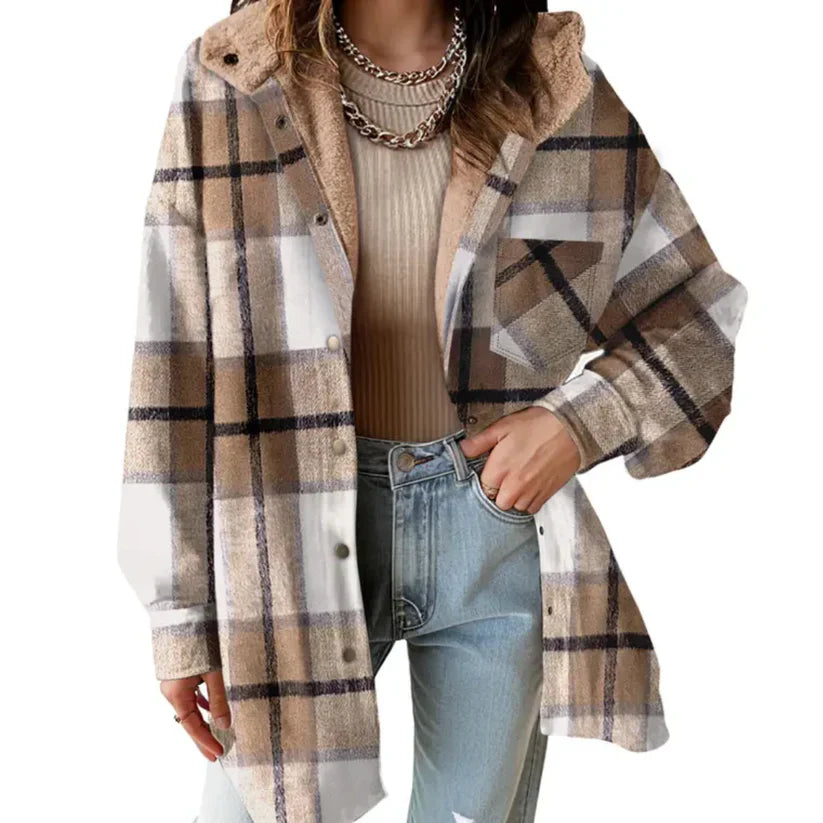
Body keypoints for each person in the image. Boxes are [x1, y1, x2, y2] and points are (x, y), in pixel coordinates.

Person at [116, 1, 748, 821]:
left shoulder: (549, 86)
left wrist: (576, 423)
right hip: (288, 527)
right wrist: (179, 610)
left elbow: (694, 313)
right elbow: (172, 355)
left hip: (491, 522)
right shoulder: (232, 79)